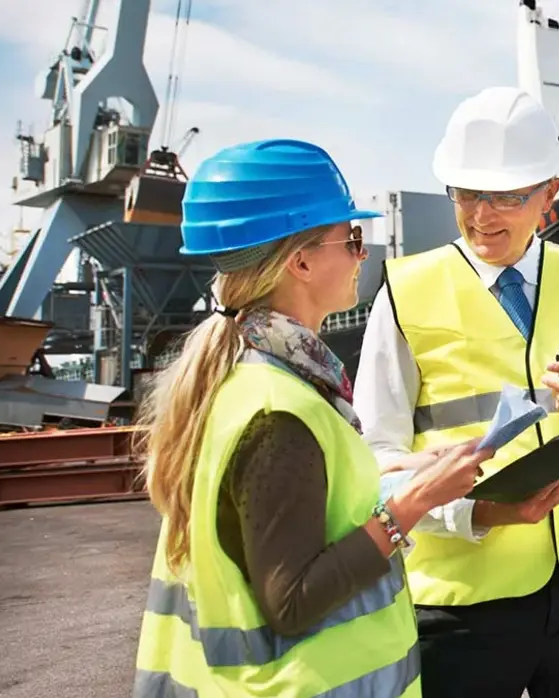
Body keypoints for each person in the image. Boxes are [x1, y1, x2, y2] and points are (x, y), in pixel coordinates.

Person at [130, 138, 494, 698]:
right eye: (350, 239)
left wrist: (410, 468)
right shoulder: (279, 411)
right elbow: (293, 600)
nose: (362, 254)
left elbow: (311, 505)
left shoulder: (252, 376)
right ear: (300, 261)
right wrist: (414, 503)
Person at [353, 86, 559, 698]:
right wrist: (471, 512)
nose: (482, 216)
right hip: (464, 601)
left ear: (549, 192)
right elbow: (377, 453)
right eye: (466, 194)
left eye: (505, 197)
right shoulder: (406, 290)